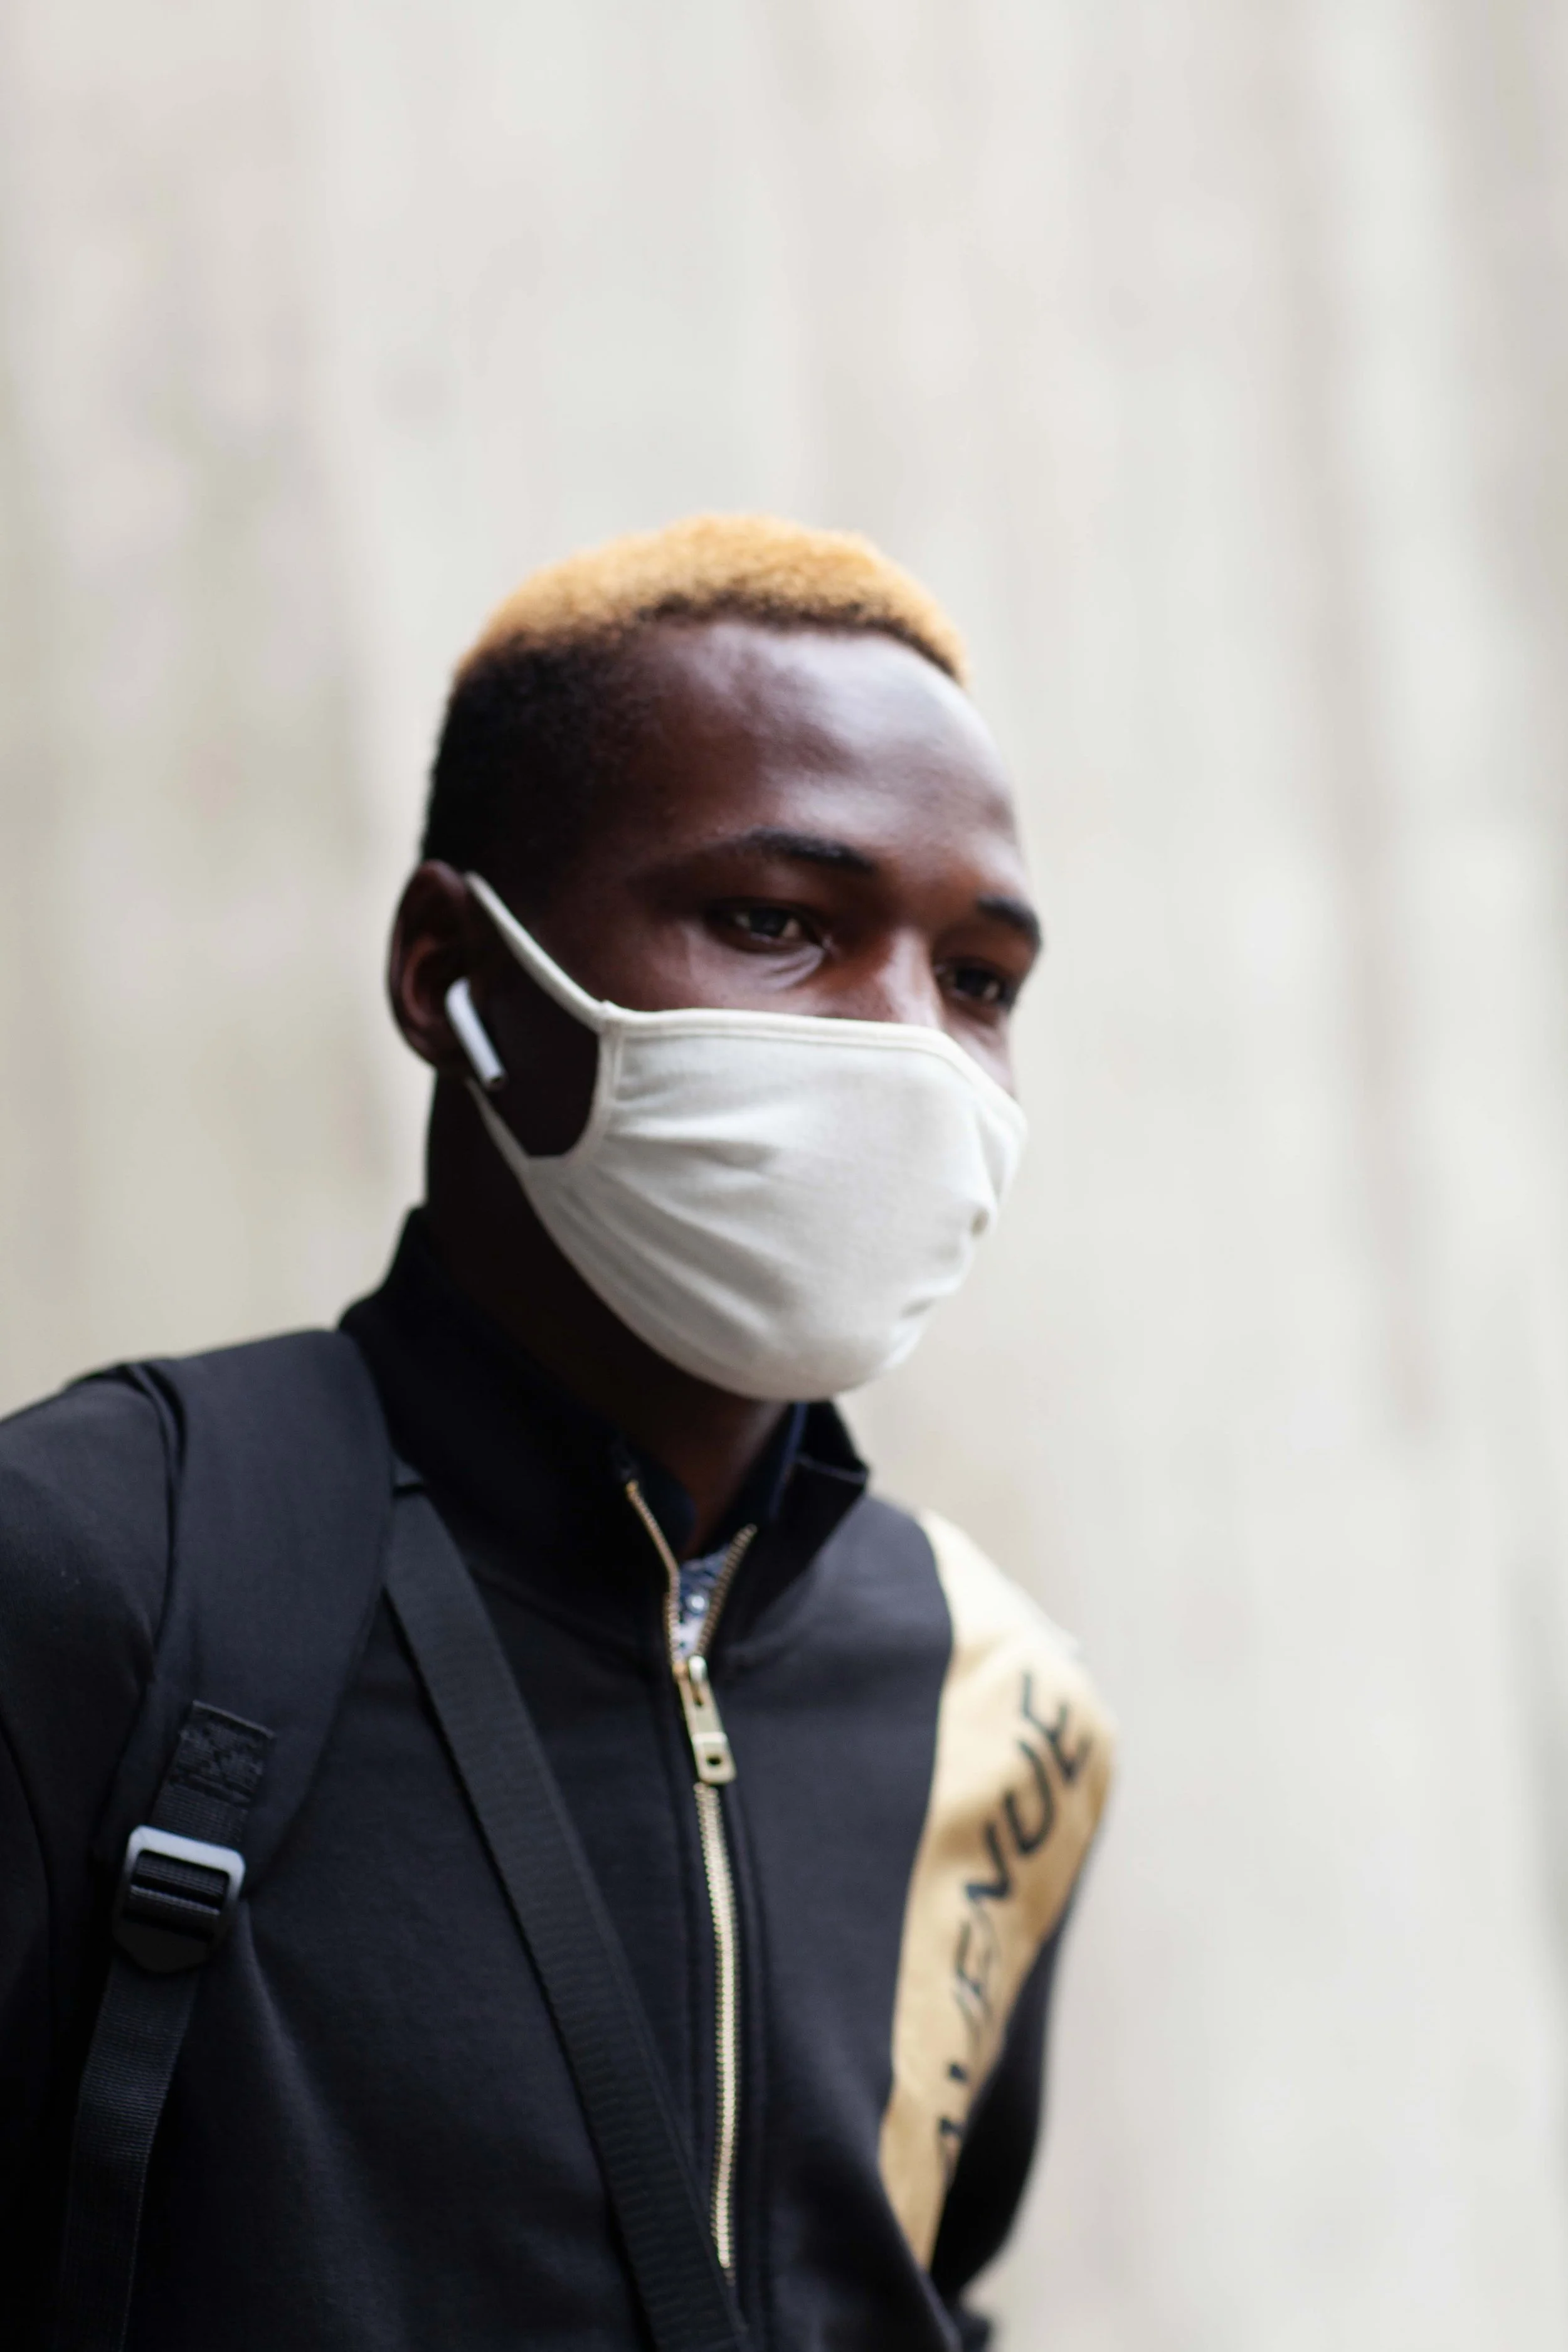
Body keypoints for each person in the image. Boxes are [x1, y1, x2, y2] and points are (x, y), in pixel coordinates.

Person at [0, 514, 1113, 2350]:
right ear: (452, 973)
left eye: (978, 977)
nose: (907, 1046)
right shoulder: (98, 1568)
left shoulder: (1000, 1708)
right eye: (778, 922)